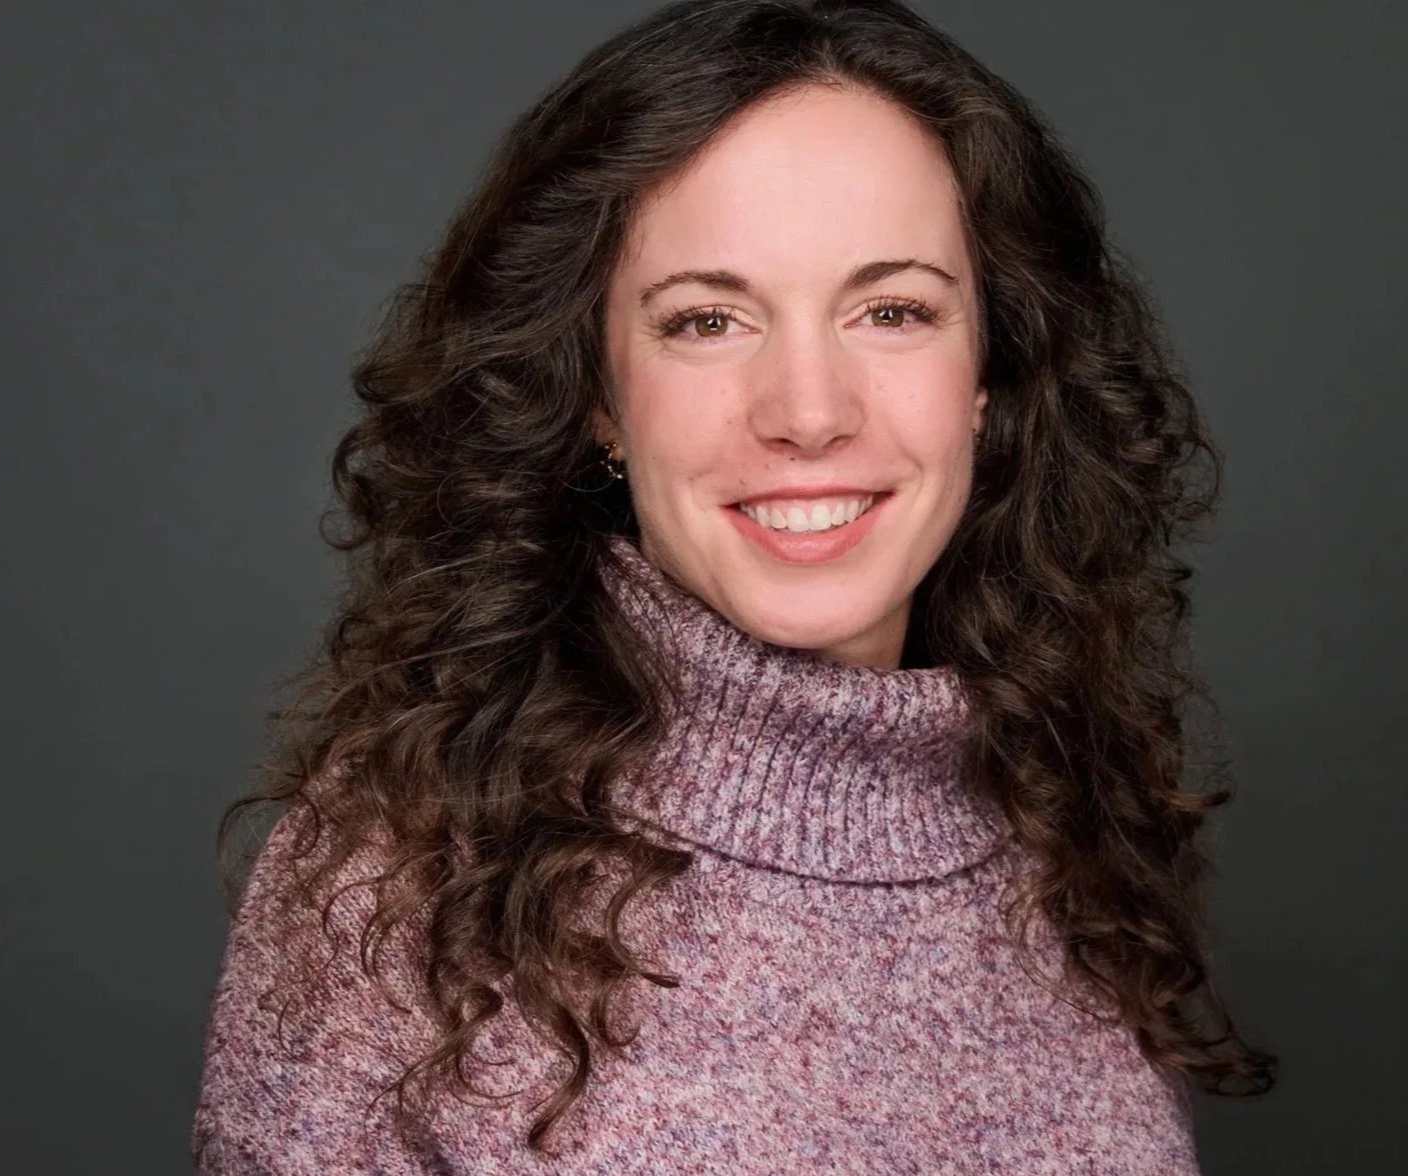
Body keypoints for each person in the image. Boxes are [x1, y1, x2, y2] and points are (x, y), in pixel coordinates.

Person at [191, 1, 1278, 1171]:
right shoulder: (405, 871)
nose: (807, 413)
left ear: (988, 375)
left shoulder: (1064, 812)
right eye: (707, 320)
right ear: (600, 397)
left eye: (892, 311)